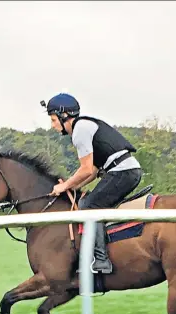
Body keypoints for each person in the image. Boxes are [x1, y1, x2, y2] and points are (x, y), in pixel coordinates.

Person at [41, 93, 143, 274]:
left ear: (64, 116)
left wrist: (64, 186)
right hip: (125, 170)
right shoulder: (85, 126)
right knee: (84, 201)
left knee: (89, 206)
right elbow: (94, 171)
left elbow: (86, 169)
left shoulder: (80, 130)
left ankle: (101, 261)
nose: (52, 125)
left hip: (122, 172)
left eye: (53, 119)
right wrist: (73, 187)